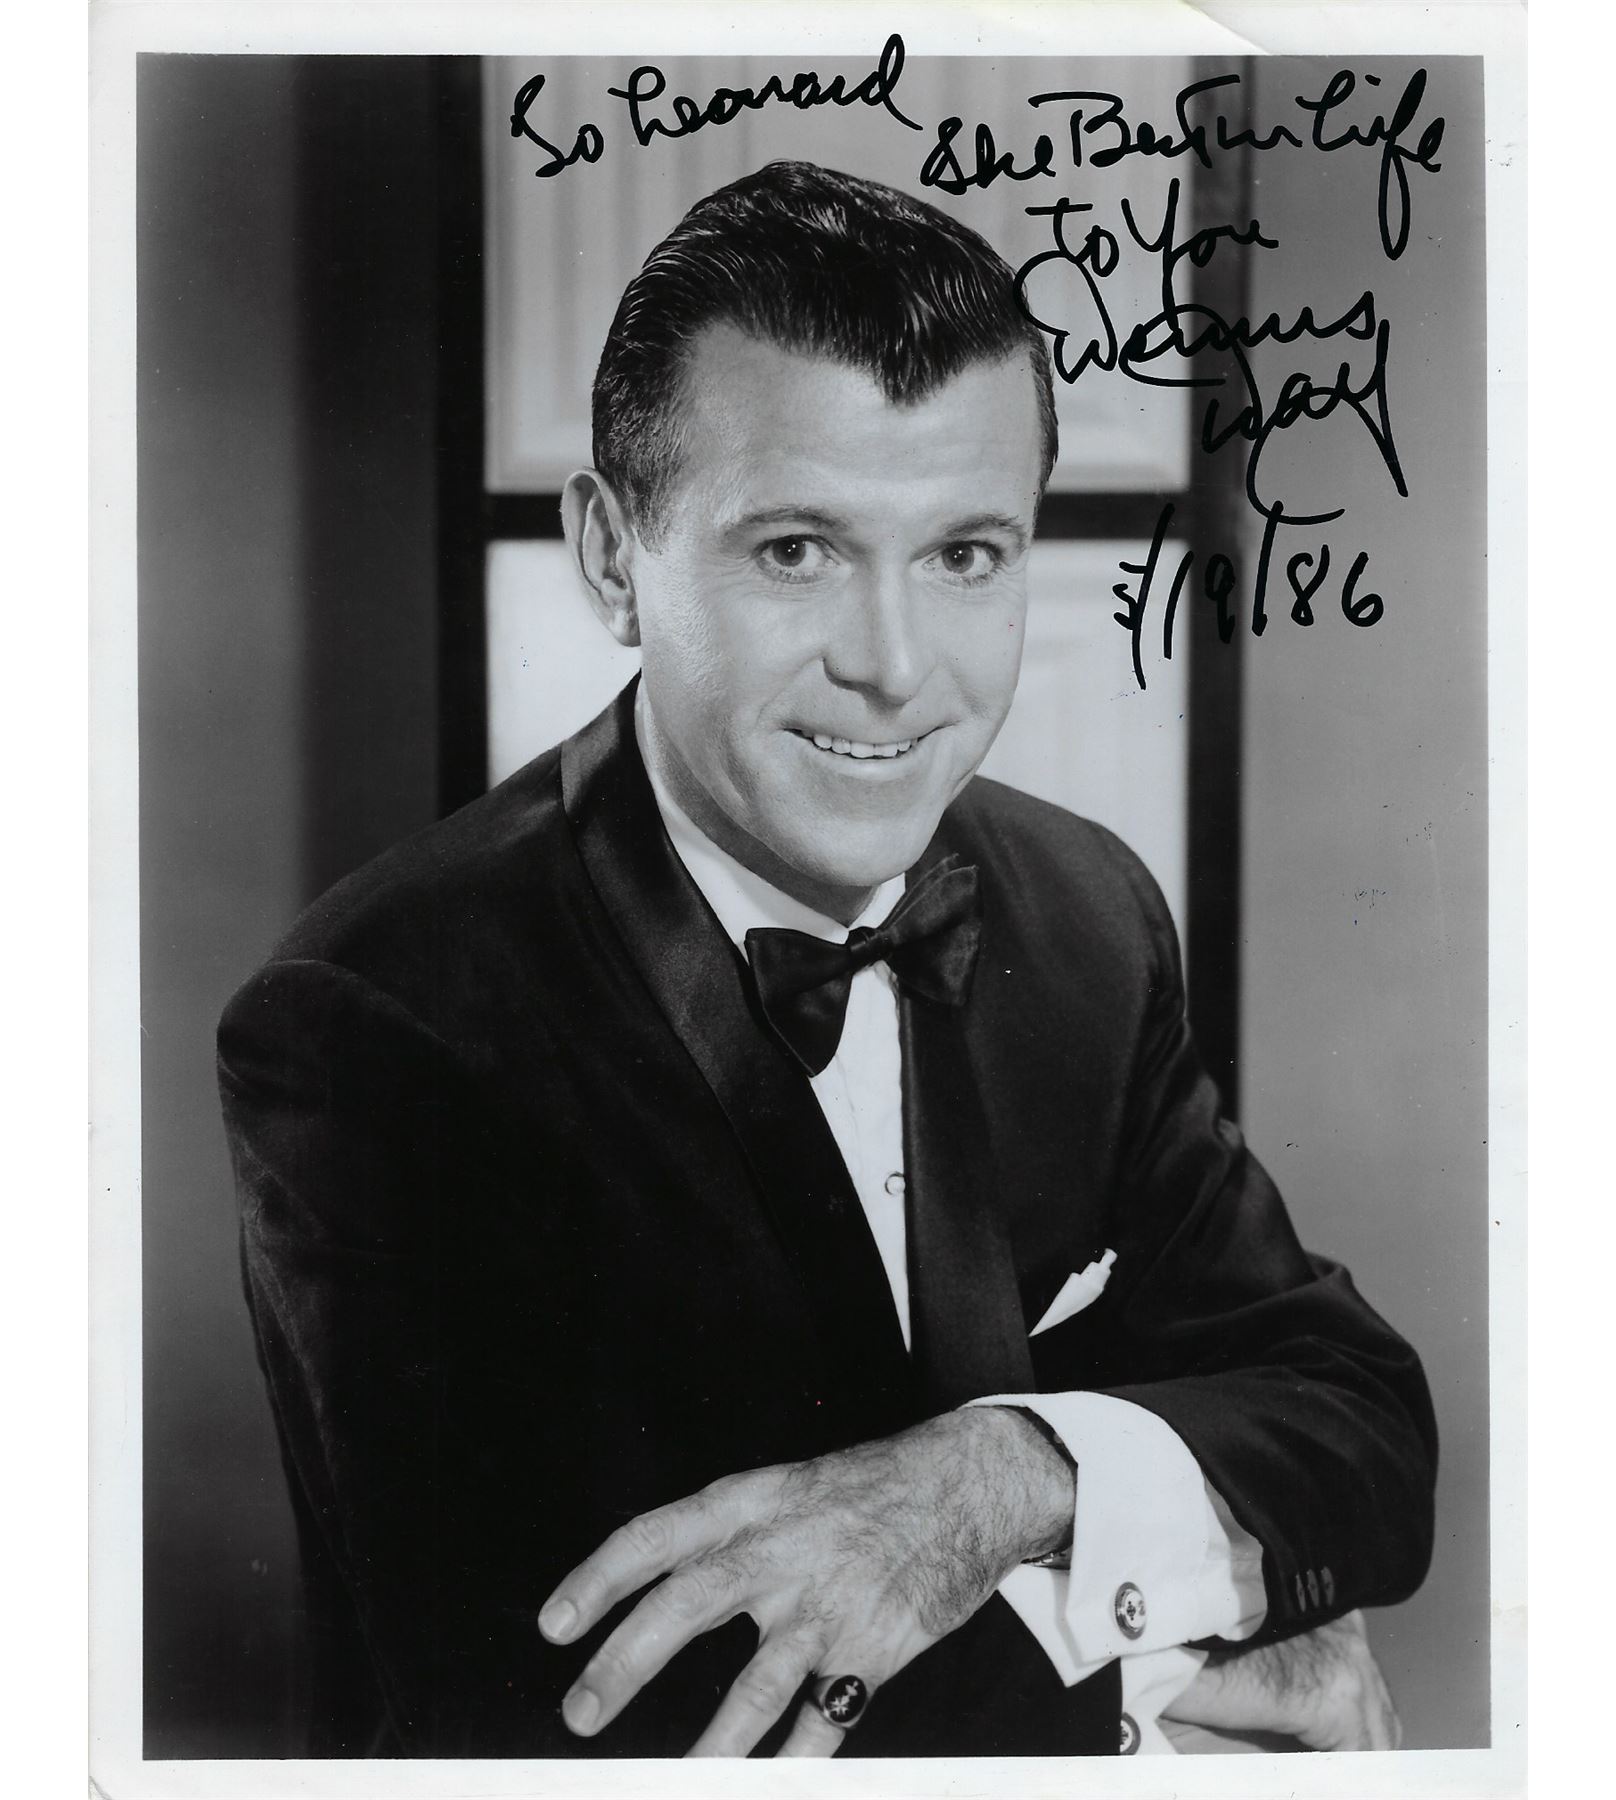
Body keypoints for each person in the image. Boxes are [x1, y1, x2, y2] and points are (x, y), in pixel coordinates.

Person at [218, 160, 1437, 1760]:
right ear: (612, 557)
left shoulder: (1087, 909)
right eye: (797, 550)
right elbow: (574, 1716)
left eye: (967, 554)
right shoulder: (375, 1023)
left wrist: (1006, 1476)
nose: (896, 666)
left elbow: (1363, 1426)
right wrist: (1171, 1674)